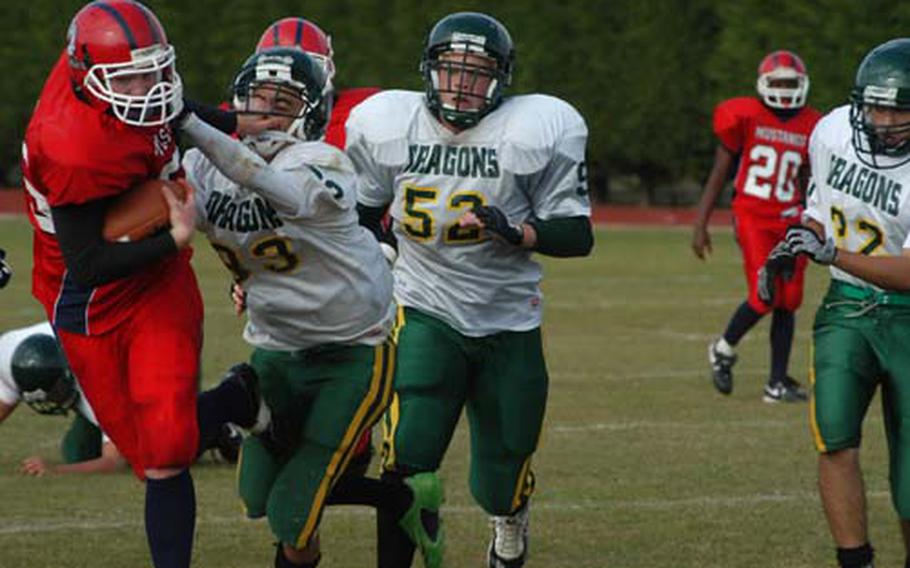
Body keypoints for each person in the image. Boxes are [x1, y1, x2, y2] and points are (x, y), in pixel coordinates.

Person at [345, 12, 593, 568]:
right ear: (428, 71)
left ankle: (509, 518)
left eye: (477, 72)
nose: (461, 84)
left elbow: (578, 235)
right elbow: (361, 216)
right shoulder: (387, 124)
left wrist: (518, 231)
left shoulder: (538, 129)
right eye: (450, 70)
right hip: (423, 307)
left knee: (502, 473)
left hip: (509, 319)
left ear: (501, 79)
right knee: (409, 458)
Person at [20, 2, 264, 567]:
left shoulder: (120, 80)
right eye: (129, 77)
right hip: (85, 293)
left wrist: (236, 124)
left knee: (167, 450)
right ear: (88, 77)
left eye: (154, 69)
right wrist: (174, 238)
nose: (148, 86)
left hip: (155, 283)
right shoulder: (72, 145)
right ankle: (236, 397)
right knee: (139, 452)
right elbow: (87, 264)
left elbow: (172, 109)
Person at [177, 46, 435, 568]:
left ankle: (400, 498)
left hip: (353, 352)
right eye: (256, 97)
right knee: (257, 499)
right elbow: (176, 207)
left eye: (284, 101)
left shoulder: (324, 161)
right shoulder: (204, 165)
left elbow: (272, 187)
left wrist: (188, 119)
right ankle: (399, 497)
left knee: (292, 511)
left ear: (312, 112)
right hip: (276, 347)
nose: (265, 111)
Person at [761, 38, 910, 568]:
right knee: (836, 437)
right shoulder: (833, 131)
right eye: (875, 105)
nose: (883, 120)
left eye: (898, 108)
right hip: (847, 309)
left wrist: (833, 255)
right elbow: (819, 209)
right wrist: (793, 245)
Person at [691, 49, 822, 402]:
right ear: (763, 84)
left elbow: (811, 181)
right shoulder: (745, 115)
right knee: (764, 295)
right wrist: (701, 222)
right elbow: (720, 172)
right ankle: (723, 348)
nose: (784, 89)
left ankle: (776, 383)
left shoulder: (813, 124)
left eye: (790, 83)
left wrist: (814, 219)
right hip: (752, 215)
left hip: (791, 219)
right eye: (777, 82)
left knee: (789, 300)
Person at [1, 323, 246, 476]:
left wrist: (57, 471)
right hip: (108, 346)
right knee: (79, 453)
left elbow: (114, 460)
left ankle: (214, 423)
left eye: (56, 392)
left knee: (159, 452)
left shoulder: (100, 381)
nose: (53, 400)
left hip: (157, 353)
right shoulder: (9, 353)